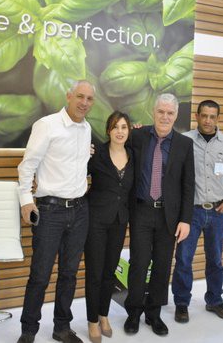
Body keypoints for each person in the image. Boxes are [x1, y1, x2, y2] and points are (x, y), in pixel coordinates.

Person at [17, 80, 95, 343]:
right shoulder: (47, 125)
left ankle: (62, 327)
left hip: (80, 210)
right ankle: (28, 331)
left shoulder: (86, 129)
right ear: (69, 96)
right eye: (80, 96)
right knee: (40, 275)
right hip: (50, 211)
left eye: (89, 99)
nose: (84, 103)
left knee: (69, 274)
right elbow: (27, 166)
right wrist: (26, 201)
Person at [123, 93, 195, 336]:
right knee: (139, 264)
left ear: (176, 115)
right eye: (161, 112)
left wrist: (185, 219)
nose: (165, 117)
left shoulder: (184, 144)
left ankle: (153, 314)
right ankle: (133, 312)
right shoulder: (137, 136)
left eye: (170, 113)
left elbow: (188, 184)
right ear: (153, 112)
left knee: (163, 266)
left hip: (168, 216)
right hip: (141, 211)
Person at [171, 100, 223, 323]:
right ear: (197, 116)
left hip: (217, 213)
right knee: (184, 259)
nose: (208, 120)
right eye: (204, 115)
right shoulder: (184, 141)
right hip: (190, 213)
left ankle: (215, 300)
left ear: (218, 118)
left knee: (216, 260)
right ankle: (181, 303)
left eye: (212, 117)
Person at [84, 111, 134, 343]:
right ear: (108, 130)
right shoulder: (96, 154)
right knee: (94, 273)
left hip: (119, 221)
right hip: (96, 221)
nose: (119, 131)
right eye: (115, 127)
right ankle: (92, 320)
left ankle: (103, 315)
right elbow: (77, 174)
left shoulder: (133, 155)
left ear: (128, 131)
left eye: (124, 127)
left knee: (108, 272)